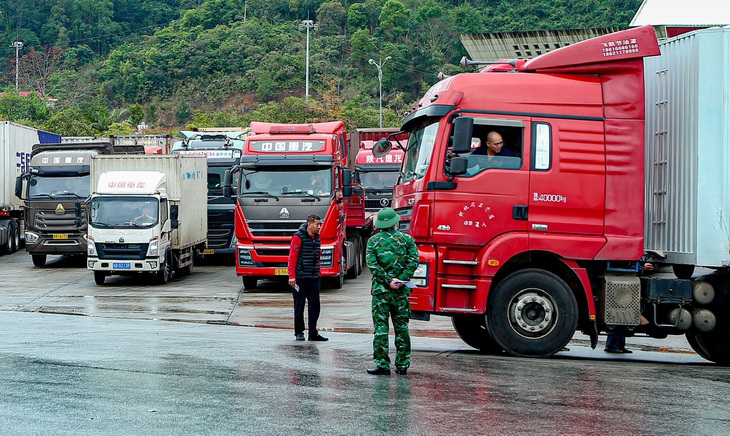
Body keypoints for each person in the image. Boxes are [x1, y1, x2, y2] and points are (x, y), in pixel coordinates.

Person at [365, 207, 419, 376]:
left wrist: (388, 280)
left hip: (381, 292)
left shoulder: (373, 242)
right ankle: (402, 365)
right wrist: (400, 279)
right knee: (402, 327)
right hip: (400, 292)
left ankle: (382, 365)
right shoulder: (407, 240)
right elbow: (413, 261)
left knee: (381, 328)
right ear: (396, 222)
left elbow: (373, 265)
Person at [287, 214, 328, 342]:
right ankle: (299, 332)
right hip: (301, 277)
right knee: (299, 306)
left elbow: (318, 255)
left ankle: (313, 333)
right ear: (309, 224)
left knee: (315, 305)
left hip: (314, 277)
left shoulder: (317, 238)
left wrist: (318, 271)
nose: (319, 227)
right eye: (317, 224)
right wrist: (292, 276)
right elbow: (292, 257)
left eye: (320, 224)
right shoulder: (298, 237)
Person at [604, 262, 654, 354]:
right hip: (621, 284)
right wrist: (642, 268)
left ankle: (618, 345)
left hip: (621, 283)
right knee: (618, 314)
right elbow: (628, 266)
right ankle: (612, 345)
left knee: (622, 315)